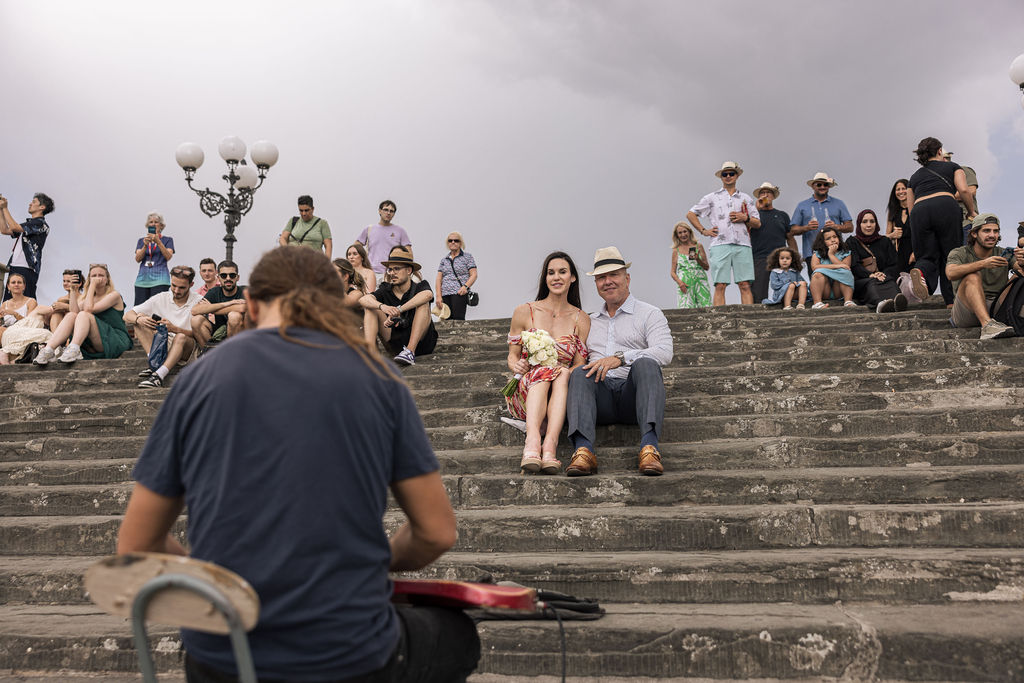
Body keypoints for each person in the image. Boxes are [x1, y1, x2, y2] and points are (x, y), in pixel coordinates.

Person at [116, 246, 480, 683]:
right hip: (349, 652)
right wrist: (374, 563)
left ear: (250, 305)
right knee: (458, 635)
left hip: (225, 655)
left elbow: (136, 543)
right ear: (336, 304)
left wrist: (219, 585)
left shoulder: (197, 380)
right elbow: (436, 532)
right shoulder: (381, 380)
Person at [566, 247, 673, 476]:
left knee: (646, 362)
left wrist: (621, 358)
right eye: (601, 278)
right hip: (599, 398)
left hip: (633, 398)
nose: (608, 281)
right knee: (578, 373)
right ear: (596, 284)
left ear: (627, 277)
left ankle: (649, 447)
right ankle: (583, 450)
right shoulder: (589, 320)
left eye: (614, 274)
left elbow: (665, 352)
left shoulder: (650, 313)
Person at [505, 252, 590, 474]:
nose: (556, 277)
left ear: (572, 278)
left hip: (561, 389)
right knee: (543, 371)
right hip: (527, 389)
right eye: (551, 273)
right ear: (545, 278)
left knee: (561, 373)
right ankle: (533, 441)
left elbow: (579, 365)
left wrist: (562, 371)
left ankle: (549, 445)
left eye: (562, 272)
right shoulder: (525, 311)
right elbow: (512, 356)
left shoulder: (581, 318)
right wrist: (517, 366)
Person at [906, 137, 978, 305]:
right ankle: (951, 301)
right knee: (950, 254)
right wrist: (971, 212)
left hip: (919, 211)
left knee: (925, 255)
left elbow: (911, 208)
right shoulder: (953, 167)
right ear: (939, 151)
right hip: (945, 205)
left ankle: (920, 273)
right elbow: (964, 190)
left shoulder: (914, 177)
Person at [685, 161, 761, 306]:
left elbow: (757, 223)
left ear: (737, 175)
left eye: (731, 173)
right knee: (720, 285)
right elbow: (691, 214)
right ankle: (719, 321)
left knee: (745, 284)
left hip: (743, 244)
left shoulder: (746, 198)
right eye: (725, 174)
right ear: (721, 177)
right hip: (720, 244)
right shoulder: (711, 197)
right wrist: (703, 230)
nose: (728, 176)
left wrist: (745, 218)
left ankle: (750, 318)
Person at [33, 264, 131, 364]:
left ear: (107, 279)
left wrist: (92, 285)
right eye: (94, 276)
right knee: (71, 315)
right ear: (89, 278)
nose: (97, 278)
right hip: (94, 341)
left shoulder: (114, 295)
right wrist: (73, 290)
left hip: (114, 339)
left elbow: (88, 309)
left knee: (84, 314)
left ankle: (74, 348)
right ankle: (49, 350)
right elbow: (73, 312)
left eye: (101, 275)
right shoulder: (88, 298)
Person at [124, 266, 203, 388]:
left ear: (191, 284)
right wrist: (139, 319)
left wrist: (174, 329)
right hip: (165, 344)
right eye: (173, 285)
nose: (176, 290)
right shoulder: (161, 297)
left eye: (182, 287)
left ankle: (158, 376)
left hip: (188, 347)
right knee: (139, 319)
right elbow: (127, 315)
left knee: (180, 337)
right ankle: (154, 363)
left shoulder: (199, 300)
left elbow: (200, 336)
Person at [946, 214, 1022, 340]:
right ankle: (987, 326)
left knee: (1020, 276)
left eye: (995, 231)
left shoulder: (1004, 253)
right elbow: (950, 273)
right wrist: (983, 264)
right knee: (972, 276)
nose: (992, 235)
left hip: (997, 307)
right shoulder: (959, 253)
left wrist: (1022, 263)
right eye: (986, 231)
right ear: (974, 234)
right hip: (967, 311)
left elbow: (1018, 270)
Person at [359, 246, 438, 366]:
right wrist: (383, 307)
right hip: (395, 343)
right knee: (371, 307)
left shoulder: (420, 286)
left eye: (396, 269)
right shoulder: (386, 288)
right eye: (390, 270)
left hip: (422, 345)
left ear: (409, 271)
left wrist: (399, 310)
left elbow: (427, 295)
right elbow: (363, 299)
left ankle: (410, 351)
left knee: (423, 303)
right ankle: (370, 354)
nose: (392, 273)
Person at [790, 173, 853, 277]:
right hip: (812, 253)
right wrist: (807, 227)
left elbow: (850, 227)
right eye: (819, 184)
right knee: (817, 283)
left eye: (825, 184)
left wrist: (837, 227)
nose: (822, 187)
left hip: (836, 251)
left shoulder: (839, 203)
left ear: (829, 186)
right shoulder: (802, 205)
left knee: (838, 283)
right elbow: (792, 230)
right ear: (813, 186)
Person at [847, 209, 908, 313]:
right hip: (862, 280)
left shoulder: (885, 241)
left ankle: (898, 302)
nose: (869, 225)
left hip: (884, 277)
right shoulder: (852, 242)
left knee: (890, 281)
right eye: (865, 221)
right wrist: (870, 275)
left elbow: (894, 264)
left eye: (872, 221)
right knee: (872, 283)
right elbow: (854, 265)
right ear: (859, 224)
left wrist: (883, 274)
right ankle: (880, 304)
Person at [0, 192, 54, 300]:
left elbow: (14, 227)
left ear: (42, 207)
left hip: (27, 267)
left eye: (34, 202)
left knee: (26, 302)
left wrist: (5, 208)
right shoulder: (29, 225)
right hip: (15, 266)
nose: (30, 204)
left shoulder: (41, 224)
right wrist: (1, 209)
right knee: (9, 302)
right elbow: (4, 230)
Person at [750, 182, 794, 303]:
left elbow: (789, 237)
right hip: (759, 257)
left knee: (785, 288)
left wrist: (795, 255)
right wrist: (756, 209)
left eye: (768, 192)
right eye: (762, 193)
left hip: (780, 258)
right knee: (758, 291)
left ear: (773, 196)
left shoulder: (782, 215)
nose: (765, 195)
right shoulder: (753, 216)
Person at [190, 260, 246, 351]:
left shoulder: (245, 290)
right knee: (196, 320)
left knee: (234, 316)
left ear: (237, 277)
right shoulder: (215, 292)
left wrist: (211, 308)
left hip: (241, 336)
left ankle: (233, 354)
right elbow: (195, 310)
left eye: (232, 275)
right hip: (218, 332)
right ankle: (210, 356)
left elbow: (242, 307)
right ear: (218, 278)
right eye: (224, 276)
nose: (228, 278)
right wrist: (227, 303)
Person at [356, 200, 412, 277]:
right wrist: (362, 262)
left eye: (391, 211)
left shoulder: (400, 231)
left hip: (392, 273)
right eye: (386, 210)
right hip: (371, 272)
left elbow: (409, 253)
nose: (388, 213)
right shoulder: (369, 229)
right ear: (379, 211)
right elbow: (356, 247)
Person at [133, 212, 175, 306]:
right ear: (148, 225)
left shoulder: (168, 240)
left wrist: (158, 242)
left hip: (160, 280)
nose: (153, 224)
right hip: (142, 281)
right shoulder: (141, 240)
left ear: (161, 225)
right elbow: (137, 259)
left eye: (156, 222)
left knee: (157, 310)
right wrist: (145, 245)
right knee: (140, 309)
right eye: (151, 222)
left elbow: (168, 256)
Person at [435, 232, 478, 321]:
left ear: (460, 243)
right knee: (446, 320)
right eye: (450, 240)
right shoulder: (444, 260)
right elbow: (439, 279)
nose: (453, 242)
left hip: (459, 292)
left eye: (456, 240)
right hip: (445, 293)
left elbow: (474, 274)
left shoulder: (467, 257)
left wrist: (465, 287)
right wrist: (438, 296)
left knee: (458, 319)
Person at [809, 227, 855, 309]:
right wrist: (837, 266)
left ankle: (848, 301)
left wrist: (831, 255)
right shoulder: (817, 253)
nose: (833, 240)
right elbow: (815, 267)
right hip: (824, 290)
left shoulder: (846, 253)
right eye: (828, 238)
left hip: (838, 289)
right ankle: (817, 303)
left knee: (846, 272)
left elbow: (846, 267)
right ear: (823, 242)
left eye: (835, 237)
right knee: (817, 273)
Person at [0, 272, 39, 363]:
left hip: (23, 331)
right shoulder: (5, 304)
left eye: (19, 282)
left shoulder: (31, 301)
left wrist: (14, 314)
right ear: (8, 287)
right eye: (13, 283)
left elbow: (30, 322)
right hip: (6, 333)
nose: (16, 284)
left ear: (24, 286)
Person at [670, 222, 710, 308]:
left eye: (685, 231)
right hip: (685, 284)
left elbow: (707, 267)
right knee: (686, 308)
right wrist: (680, 283)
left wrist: (698, 259)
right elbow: (672, 272)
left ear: (689, 232)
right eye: (680, 233)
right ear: (677, 235)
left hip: (700, 282)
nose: (683, 234)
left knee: (705, 306)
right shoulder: (676, 250)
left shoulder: (698, 246)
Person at [279, 194, 332, 259]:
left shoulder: (322, 223)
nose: (304, 214)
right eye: (301, 210)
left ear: (312, 209)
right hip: (293, 261)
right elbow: (283, 238)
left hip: (314, 262)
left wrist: (326, 264)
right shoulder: (293, 221)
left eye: (306, 210)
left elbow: (328, 245)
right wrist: (288, 251)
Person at [943, 150, 980, 244]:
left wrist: (944, 197)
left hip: (966, 222)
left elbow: (971, 191)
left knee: (968, 255)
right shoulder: (942, 178)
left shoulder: (963, 170)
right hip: (949, 227)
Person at [885, 179, 915, 276]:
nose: (901, 192)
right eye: (898, 189)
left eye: (904, 188)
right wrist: (893, 235)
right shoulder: (893, 211)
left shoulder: (916, 208)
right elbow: (886, 237)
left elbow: (922, 233)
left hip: (914, 249)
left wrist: (915, 252)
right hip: (899, 252)